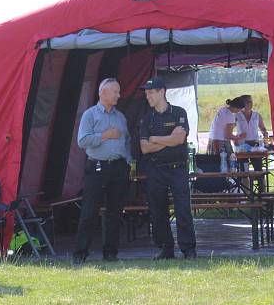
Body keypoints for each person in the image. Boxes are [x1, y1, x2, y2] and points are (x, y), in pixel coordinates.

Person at [73, 77, 132, 264]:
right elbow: (82, 141)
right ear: (103, 93)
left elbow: (127, 140)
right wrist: (104, 136)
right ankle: (81, 254)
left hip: (118, 168)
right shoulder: (90, 115)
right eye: (115, 91)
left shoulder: (120, 117)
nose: (119, 95)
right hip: (97, 167)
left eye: (119, 91)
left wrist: (128, 161)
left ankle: (111, 253)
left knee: (115, 212)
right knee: (90, 211)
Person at [139, 78, 197, 260]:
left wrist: (155, 139)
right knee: (158, 211)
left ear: (162, 91)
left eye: (151, 92)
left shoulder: (178, 113)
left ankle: (188, 249)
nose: (147, 96)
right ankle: (166, 248)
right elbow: (144, 148)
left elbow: (179, 140)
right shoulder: (146, 118)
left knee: (183, 209)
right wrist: (167, 140)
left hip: (177, 169)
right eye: (146, 93)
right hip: (155, 169)